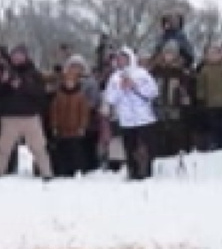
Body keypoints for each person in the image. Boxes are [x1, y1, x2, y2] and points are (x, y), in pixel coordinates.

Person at [0, 45, 53, 180]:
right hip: (9, 117)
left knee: (39, 148)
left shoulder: (34, 73)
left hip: (30, 117)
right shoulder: (4, 71)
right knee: (3, 148)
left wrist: (22, 86)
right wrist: (4, 83)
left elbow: (40, 94)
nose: (17, 58)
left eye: (19, 55)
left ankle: (46, 174)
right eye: (14, 55)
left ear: (25, 56)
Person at [104, 47, 159, 181]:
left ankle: (147, 172)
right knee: (130, 147)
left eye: (124, 58)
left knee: (145, 147)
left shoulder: (142, 74)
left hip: (144, 118)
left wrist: (135, 86)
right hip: (126, 120)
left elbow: (153, 92)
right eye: (119, 59)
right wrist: (120, 88)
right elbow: (110, 98)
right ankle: (133, 172)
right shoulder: (114, 78)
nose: (121, 61)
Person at [194, 45, 222, 150]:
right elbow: (201, 85)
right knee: (213, 125)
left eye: (216, 53)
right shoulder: (205, 70)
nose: (214, 56)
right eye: (211, 54)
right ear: (207, 56)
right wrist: (201, 97)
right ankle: (214, 142)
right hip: (211, 103)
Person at [50, 63, 91, 177]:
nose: (69, 84)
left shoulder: (80, 96)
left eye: (71, 82)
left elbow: (84, 113)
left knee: (75, 150)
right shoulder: (59, 96)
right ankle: (63, 169)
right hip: (62, 129)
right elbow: (54, 112)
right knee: (63, 150)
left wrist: (82, 126)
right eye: (67, 81)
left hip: (75, 129)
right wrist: (54, 126)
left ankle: (77, 169)